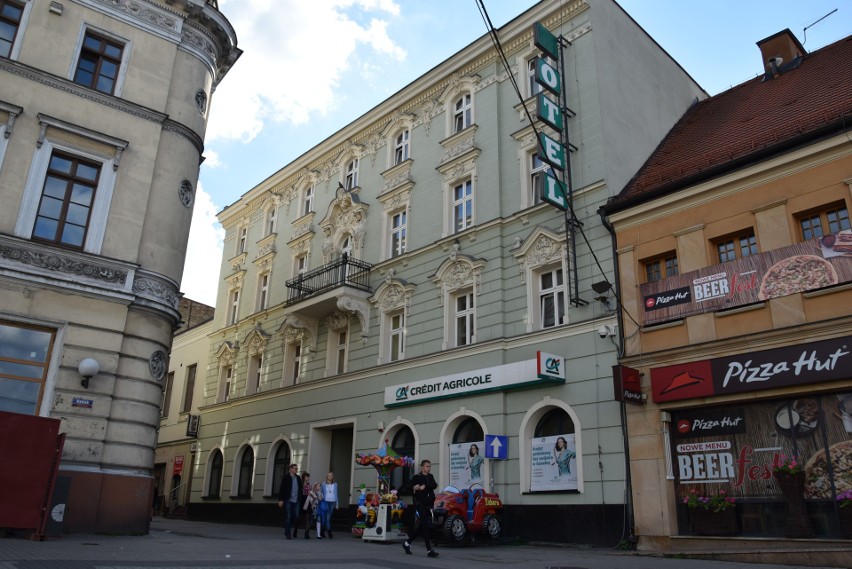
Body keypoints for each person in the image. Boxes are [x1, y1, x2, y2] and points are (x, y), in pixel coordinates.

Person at [401, 459, 439, 558]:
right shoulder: (417, 477)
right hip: (420, 504)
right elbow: (408, 486)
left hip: (429, 504)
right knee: (425, 526)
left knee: (422, 526)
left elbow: (434, 485)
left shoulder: (430, 477)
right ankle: (429, 550)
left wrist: (425, 486)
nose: (429, 468)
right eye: (427, 466)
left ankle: (407, 544)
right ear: (422, 467)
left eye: (429, 466)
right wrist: (414, 487)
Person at [276, 464, 302, 539]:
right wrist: (281, 499)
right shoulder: (286, 478)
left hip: (296, 500)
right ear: (290, 469)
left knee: (296, 516)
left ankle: (288, 527)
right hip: (288, 500)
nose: (296, 470)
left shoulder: (298, 478)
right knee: (288, 516)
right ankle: (288, 533)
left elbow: (300, 488)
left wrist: (300, 497)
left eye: (297, 468)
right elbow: (282, 489)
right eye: (294, 468)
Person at [320, 471, 339, 538]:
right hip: (326, 501)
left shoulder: (335, 484)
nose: (330, 477)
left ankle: (322, 531)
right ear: (327, 477)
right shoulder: (323, 484)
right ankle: (329, 532)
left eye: (331, 476)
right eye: (329, 476)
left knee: (327, 518)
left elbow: (336, 494)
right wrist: (320, 498)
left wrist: (337, 504)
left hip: (332, 502)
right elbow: (321, 492)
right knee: (327, 518)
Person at [296, 472, 311, 538]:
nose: (308, 478)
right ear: (304, 477)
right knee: (299, 518)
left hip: (307, 501)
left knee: (307, 517)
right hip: (301, 500)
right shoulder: (300, 484)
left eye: (308, 477)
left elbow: (310, 493)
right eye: (306, 476)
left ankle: (306, 533)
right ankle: (295, 530)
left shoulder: (309, 485)